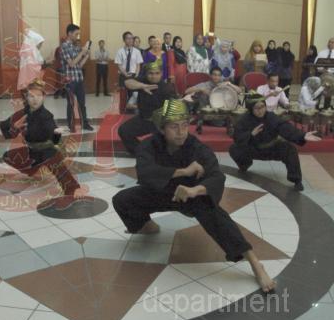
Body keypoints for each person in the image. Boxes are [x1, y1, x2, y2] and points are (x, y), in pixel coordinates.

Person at [113, 99, 276, 292]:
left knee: (216, 215)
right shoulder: (149, 145)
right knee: (122, 200)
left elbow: (216, 176)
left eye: (184, 125)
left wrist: (194, 190)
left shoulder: (196, 147)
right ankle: (147, 226)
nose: (181, 132)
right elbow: (145, 172)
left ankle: (255, 263)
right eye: (174, 127)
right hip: (160, 192)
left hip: (190, 197)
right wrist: (183, 171)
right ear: (162, 129)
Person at [0, 78, 85, 197]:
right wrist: (15, 127)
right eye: (31, 96)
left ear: (44, 97)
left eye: (39, 96)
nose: (35, 99)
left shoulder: (46, 116)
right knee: (7, 156)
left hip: (47, 150)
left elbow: (55, 140)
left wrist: (56, 134)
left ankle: (72, 188)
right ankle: (33, 170)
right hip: (32, 151)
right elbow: (5, 127)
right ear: (26, 97)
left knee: (54, 162)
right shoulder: (23, 113)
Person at [230, 93, 321, 191]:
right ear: (251, 109)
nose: (260, 110)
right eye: (256, 108)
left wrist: (302, 135)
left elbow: (284, 127)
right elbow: (237, 136)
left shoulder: (271, 117)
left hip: (271, 149)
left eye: (262, 107)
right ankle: (244, 164)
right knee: (234, 149)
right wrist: (251, 134)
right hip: (254, 149)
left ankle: (296, 180)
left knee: (290, 149)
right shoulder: (244, 120)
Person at [117, 61, 175, 155]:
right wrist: (142, 86)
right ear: (146, 74)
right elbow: (127, 82)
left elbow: (170, 111)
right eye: (150, 73)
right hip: (143, 119)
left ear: (161, 74)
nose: (153, 76)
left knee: (163, 147)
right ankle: (141, 152)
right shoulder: (144, 81)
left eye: (157, 73)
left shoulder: (167, 89)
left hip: (158, 123)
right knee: (123, 130)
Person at [60, 24, 93, 131]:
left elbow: (79, 65)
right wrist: (82, 52)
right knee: (71, 104)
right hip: (69, 81)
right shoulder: (64, 46)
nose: (77, 36)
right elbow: (71, 64)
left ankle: (85, 124)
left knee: (82, 104)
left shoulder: (75, 47)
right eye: (76, 34)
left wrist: (86, 55)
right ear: (69, 33)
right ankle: (71, 125)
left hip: (79, 79)